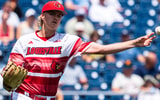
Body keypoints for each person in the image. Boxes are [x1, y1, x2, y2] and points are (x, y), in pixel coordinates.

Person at [3, 1, 156, 100]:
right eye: (52, 14)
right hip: (25, 96)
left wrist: (134, 43)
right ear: (43, 16)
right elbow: (11, 68)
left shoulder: (66, 41)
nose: (56, 17)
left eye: (59, 15)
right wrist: (6, 74)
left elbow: (101, 48)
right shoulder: (24, 41)